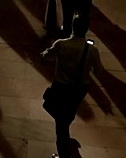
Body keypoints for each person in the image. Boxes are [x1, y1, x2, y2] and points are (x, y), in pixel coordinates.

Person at [40, 17, 104, 158]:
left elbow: (46, 56)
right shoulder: (92, 50)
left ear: (72, 27)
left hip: (61, 87)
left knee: (60, 122)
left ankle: (63, 152)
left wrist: (44, 51)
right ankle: (65, 127)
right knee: (69, 112)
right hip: (79, 89)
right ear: (86, 29)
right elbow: (99, 71)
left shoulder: (62, 45)